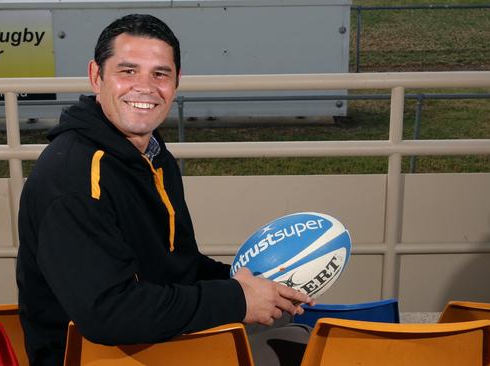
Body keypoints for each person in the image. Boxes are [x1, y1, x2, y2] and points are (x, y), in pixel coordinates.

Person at [16, 13, 314, 365]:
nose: (145, 86)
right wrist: (236, 300)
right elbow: (108, 314)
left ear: (176, 81)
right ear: (96, 77)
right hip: (97, 356)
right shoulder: (73, 177)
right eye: (128, 71)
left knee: (302, 336)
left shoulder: (154, 156)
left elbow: (178, 267)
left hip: (156, 342)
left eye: (160, 74)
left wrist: (246, 282)